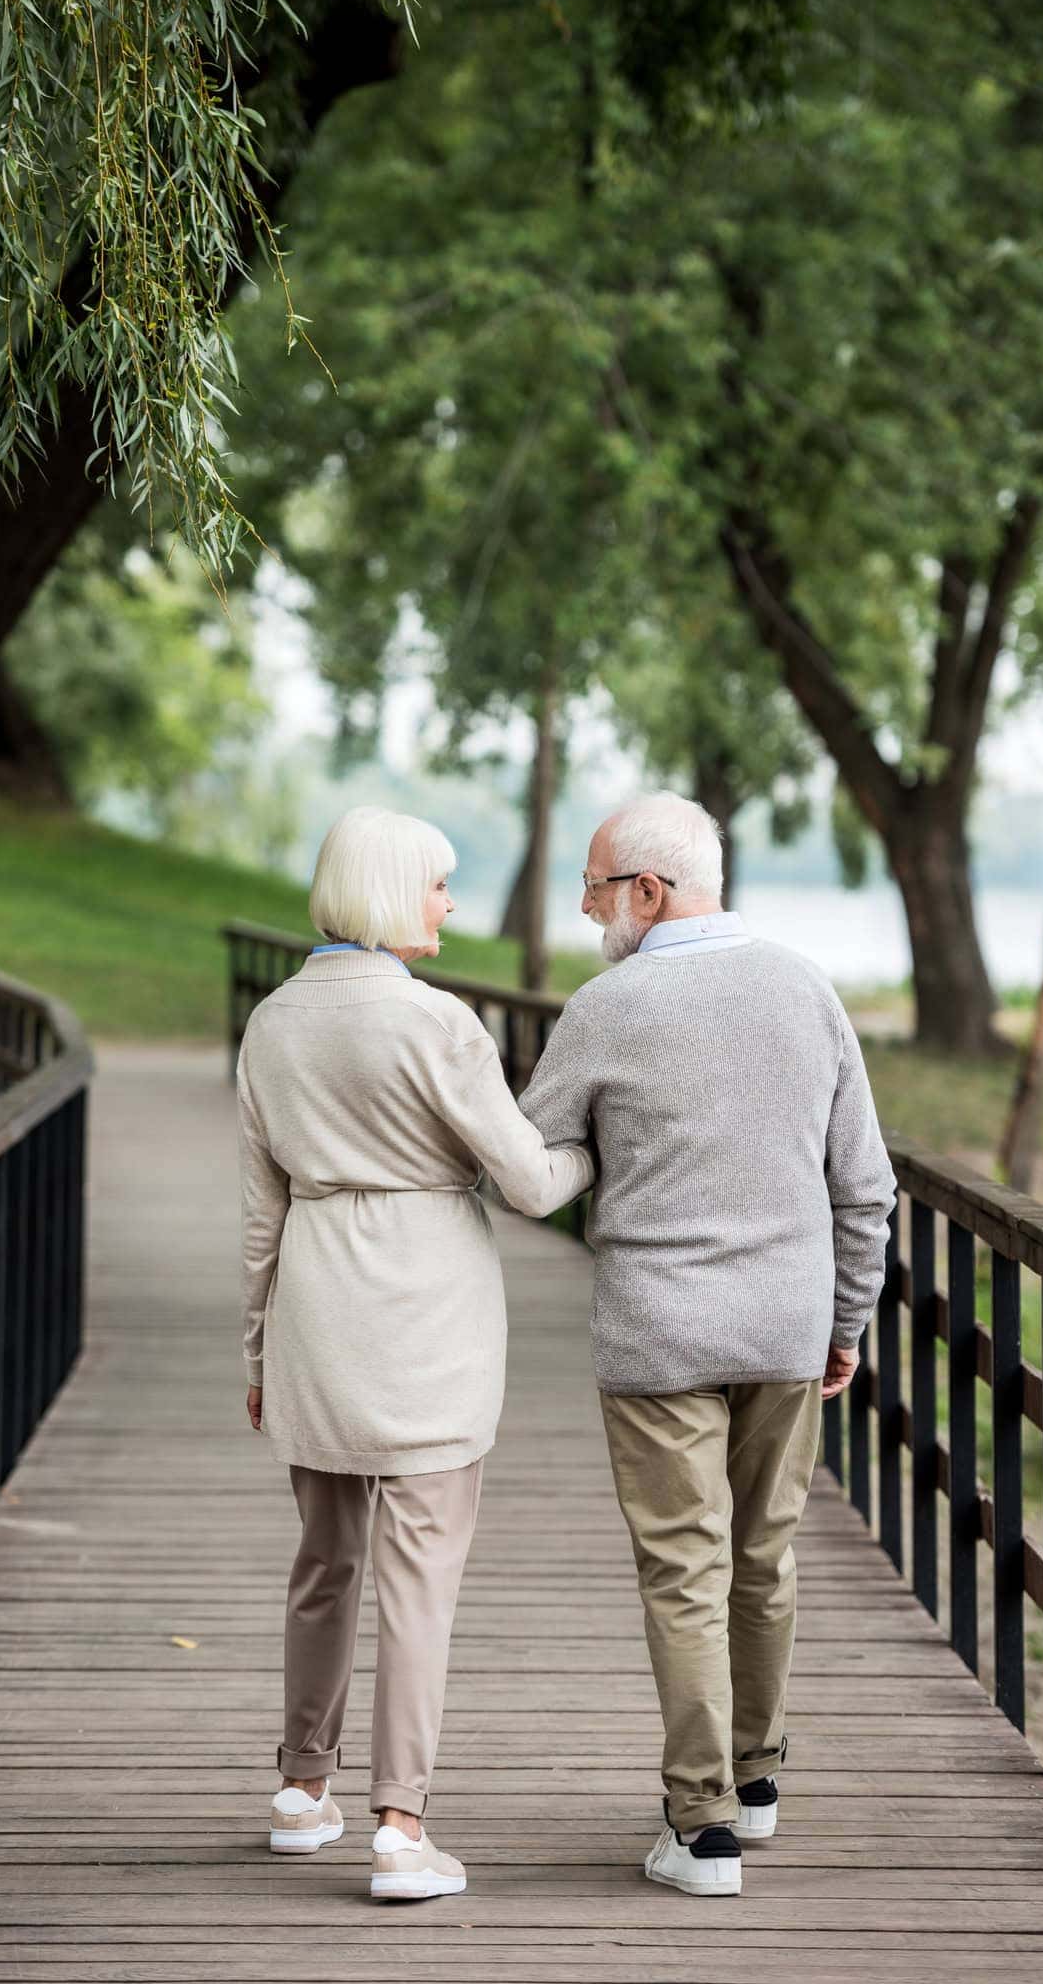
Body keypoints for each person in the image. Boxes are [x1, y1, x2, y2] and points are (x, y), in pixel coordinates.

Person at [518, 790, 896, 1898]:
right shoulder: (806, 988)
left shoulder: (607, 1006)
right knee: (765, 1556)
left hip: (659, 1331)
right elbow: (865, 1189)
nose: (590, 910)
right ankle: (758, 1778)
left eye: (595, 887)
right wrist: (846, 1322)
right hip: (786, 1323)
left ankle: (702, 1827)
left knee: (686, 1569)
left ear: (648, 888)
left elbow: (529, 1151)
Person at [236, 805, 595, 1903]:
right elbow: (532, 1181)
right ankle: (401, 1825)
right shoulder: (439, 1026)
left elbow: (260, 1216)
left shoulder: (272, 1024)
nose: (449, 903)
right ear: (395, 893)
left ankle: (303, 1789)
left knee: (324, 1560)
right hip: (425, 1320)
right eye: (437, 885)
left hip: (315, 1308)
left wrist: (257, 1351)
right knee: (420, 1579)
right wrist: (589, 1143)